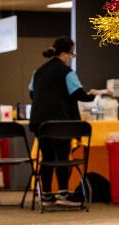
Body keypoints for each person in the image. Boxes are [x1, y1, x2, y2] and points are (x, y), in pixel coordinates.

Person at [28, 36, 102, 204]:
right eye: (72, 54)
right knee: (62, 156)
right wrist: (94, 94)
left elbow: (32, 94)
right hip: (61, 123)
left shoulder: (38, 71)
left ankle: (46, 194)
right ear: (66, 53)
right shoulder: (67, 72)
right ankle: (63, 193)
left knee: (46, 157)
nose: (71, 58)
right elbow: (79, 95)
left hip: (40, 123)